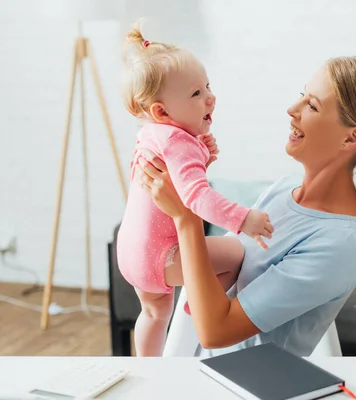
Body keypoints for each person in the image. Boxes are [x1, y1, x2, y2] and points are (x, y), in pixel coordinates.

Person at [134, 56, 356, 358]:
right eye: (301, 95)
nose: (292, 110)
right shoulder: (282, 191)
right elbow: (221, 269)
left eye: (312, 105)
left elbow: (215, 332)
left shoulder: (340, 242)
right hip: (209, 375)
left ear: (350, 137)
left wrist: (185, 217)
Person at [116, 26, 274, 357]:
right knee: (235, 254)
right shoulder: (178, 142)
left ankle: (147, 370)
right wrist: (243, 219)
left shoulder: (151, 134)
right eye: (196, 94)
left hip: (132, 253)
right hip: (163, 255)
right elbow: (197, 198)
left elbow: (175, 183)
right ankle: (201, 309)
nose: (210, 98)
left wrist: (202, 154)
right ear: (162, 111)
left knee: (155, 314)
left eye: (208, 87)